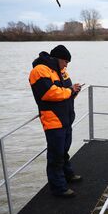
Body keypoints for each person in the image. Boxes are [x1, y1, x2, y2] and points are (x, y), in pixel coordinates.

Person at [29, 45, 82, 197]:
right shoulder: (39, 71)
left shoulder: (62, 71)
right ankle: (59, 188)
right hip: (53, 120)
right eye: (65, 61)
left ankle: (67, 175)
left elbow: (66, 91)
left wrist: (74, 90)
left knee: (64, 150)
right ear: (58, 59)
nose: (66, 65)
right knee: (55, 155)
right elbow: (48, 93)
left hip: (66, 118)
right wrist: (70, 91)